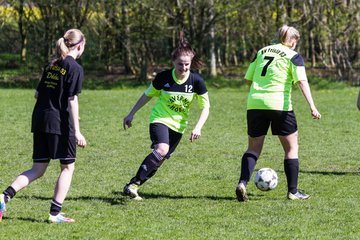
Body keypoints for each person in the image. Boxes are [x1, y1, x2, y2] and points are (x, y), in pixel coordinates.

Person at [0, 29, 87, 223]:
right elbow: (72, 99)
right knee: (67, 167)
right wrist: (78, 131)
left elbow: (37, 94)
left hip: (40, 119)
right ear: (80, 46)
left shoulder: (51, 65)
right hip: (59, 123)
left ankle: (3, 196)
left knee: (38, 168)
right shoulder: (75, 68)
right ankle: (54, 214)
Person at [235, 25, 321, 202]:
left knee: (253, 148)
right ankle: (293, 192)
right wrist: (312, 106)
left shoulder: (261, 51)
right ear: (292, 41)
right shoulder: (293, 56)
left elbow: (247, 79)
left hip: (255, 103)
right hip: (279, 105)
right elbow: (302, 82)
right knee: (291, 148)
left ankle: (243, 183)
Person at [123, 32, 210, 200]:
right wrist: (131, 114)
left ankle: (133, 185)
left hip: (179, 126)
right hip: (160, 119)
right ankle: (133, 185)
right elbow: (147, 95)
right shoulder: (163, 77)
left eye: (187, 65)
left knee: (160, 159)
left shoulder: (196, 81)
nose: (183, 68)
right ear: (173, 63)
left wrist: (198, 127)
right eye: (180, 65)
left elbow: (206, 107)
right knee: (162, 149)